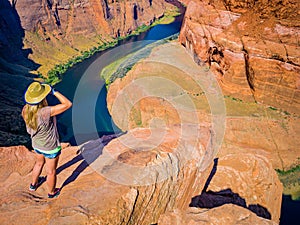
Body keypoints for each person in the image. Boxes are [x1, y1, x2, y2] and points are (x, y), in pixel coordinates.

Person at [22, 81, 72, 198]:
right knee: (51, 171)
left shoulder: (25, 110)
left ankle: (33, 185)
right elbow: (68, 104)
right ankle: (51, 192)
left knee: (39, 164)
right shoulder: (45, 112)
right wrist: (54, 92)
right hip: (50, 147)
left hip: (36, 145)